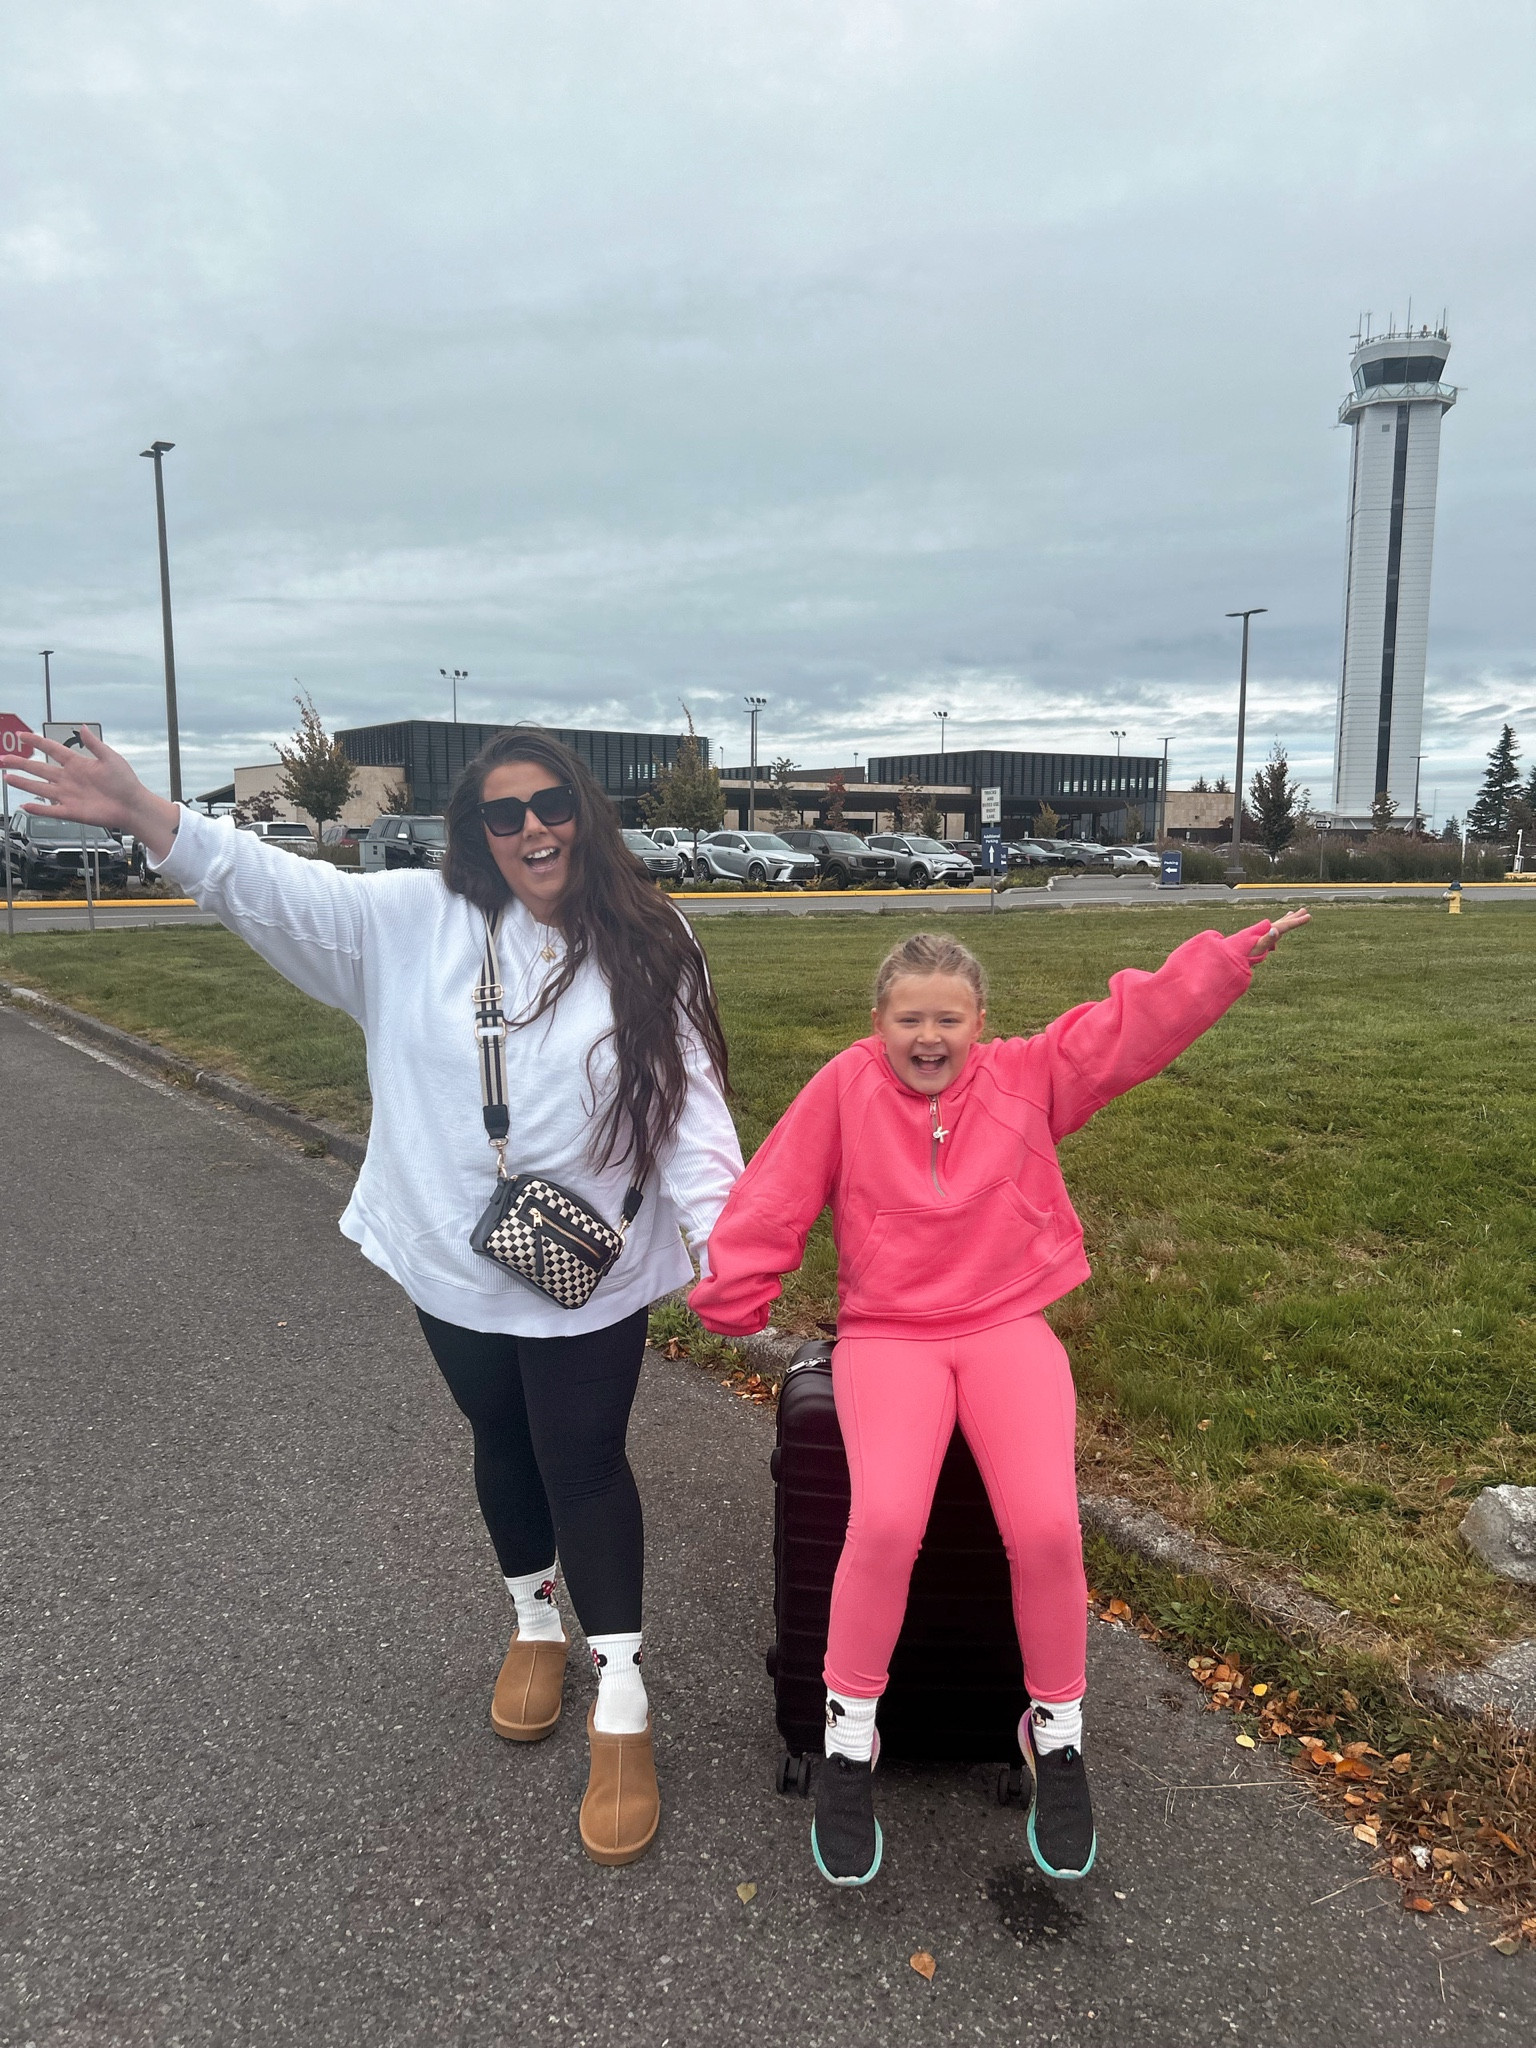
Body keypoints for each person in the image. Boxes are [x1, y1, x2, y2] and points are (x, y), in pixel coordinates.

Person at [7, 725, 743, 1867]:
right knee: (499, 1434)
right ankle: (534, 1622)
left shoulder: (652, 935)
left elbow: (690, 1102)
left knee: (587, 1462)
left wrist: (728, 1234)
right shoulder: (410, 922)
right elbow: (269, 887)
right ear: (476, 832)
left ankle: (623, 1696)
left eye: (551, 802)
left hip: (593, 1268)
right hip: (456, 1253)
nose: (533, 828)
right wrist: (148, 814)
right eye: (504, 812)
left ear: (584, 812)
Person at [690, 915, 1308, 1887]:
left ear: (980, 1021)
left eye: (948, 1018)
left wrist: (1224, 959)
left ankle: (1054, 1732)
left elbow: (1125, 1030)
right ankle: (849, 1738)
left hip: (1006, 1323)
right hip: (889, 1334)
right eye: (908, 1019)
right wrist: (737, 1290)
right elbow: (777, 1188)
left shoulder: (1027, 1075)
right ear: (878, 1022)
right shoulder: (844, 1085)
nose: (928, 1037)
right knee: (885, 1522)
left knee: (1050, 1530)